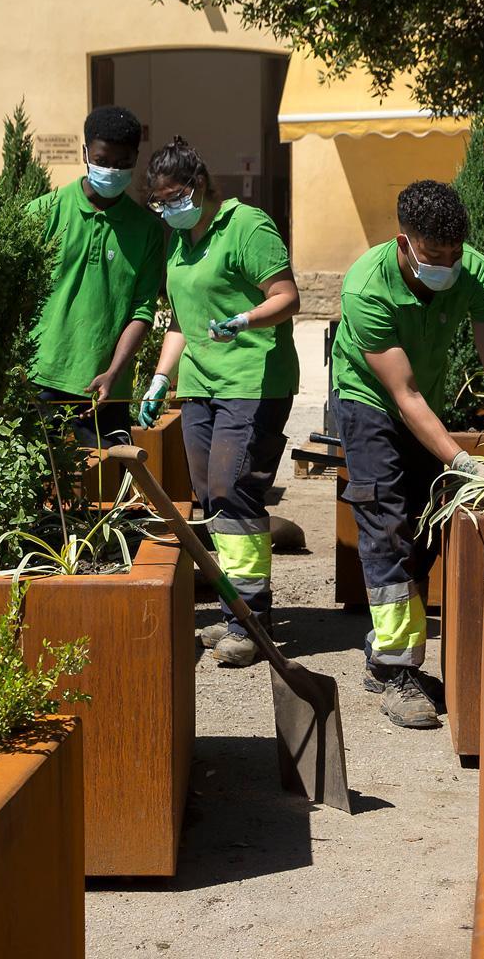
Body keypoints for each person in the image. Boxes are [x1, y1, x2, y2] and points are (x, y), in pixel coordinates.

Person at [330, 180, 484, 729]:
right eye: (434, 254)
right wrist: (462, 461)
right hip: (368, 399)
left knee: (424, 527)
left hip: (427, 398)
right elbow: (402, 396)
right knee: (386, 521)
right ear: (404, 242)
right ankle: (398, 672)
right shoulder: (365, 287)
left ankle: (384, 650)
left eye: (454, 253)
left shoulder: (476, 273)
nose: (447, 264)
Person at [137, 137, 301, 667]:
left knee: (235, 491)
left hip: (253, 381)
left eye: (174, 197)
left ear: (199, 185)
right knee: (211, 496)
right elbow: (180, 322)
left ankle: (250, 623)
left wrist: (245, 320)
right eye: (159, 201)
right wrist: (160, 380)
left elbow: (287, 296)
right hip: (200, 385)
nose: (168, 209)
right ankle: (239, 609)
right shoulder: (180, 243)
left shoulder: (246, 226)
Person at [26, 106, 166, 447]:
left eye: (122, 163)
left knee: (106, 479)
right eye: (102, 160)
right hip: (39, 379)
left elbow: (142, 311)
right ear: (85, 153)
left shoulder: (146, 230)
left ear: (135, 159)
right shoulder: (43, 212)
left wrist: (113, 373)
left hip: (105, 391)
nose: (111, 170)